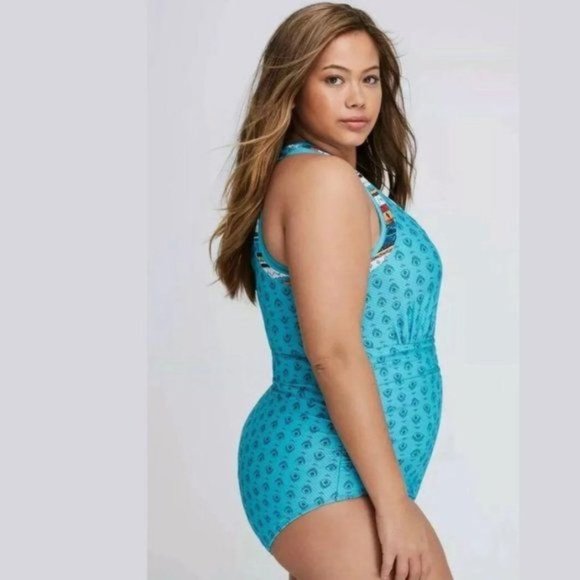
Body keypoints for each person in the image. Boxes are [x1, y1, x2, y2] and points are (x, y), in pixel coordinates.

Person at [209, 3, 453, 579]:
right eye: (334, 79)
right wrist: (394, 507)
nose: (357, 99)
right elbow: (334, 352)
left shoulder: (330, 178)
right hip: (319, 465)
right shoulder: (321, 180)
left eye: (370, 79)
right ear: (293, 89)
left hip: (352, 469)